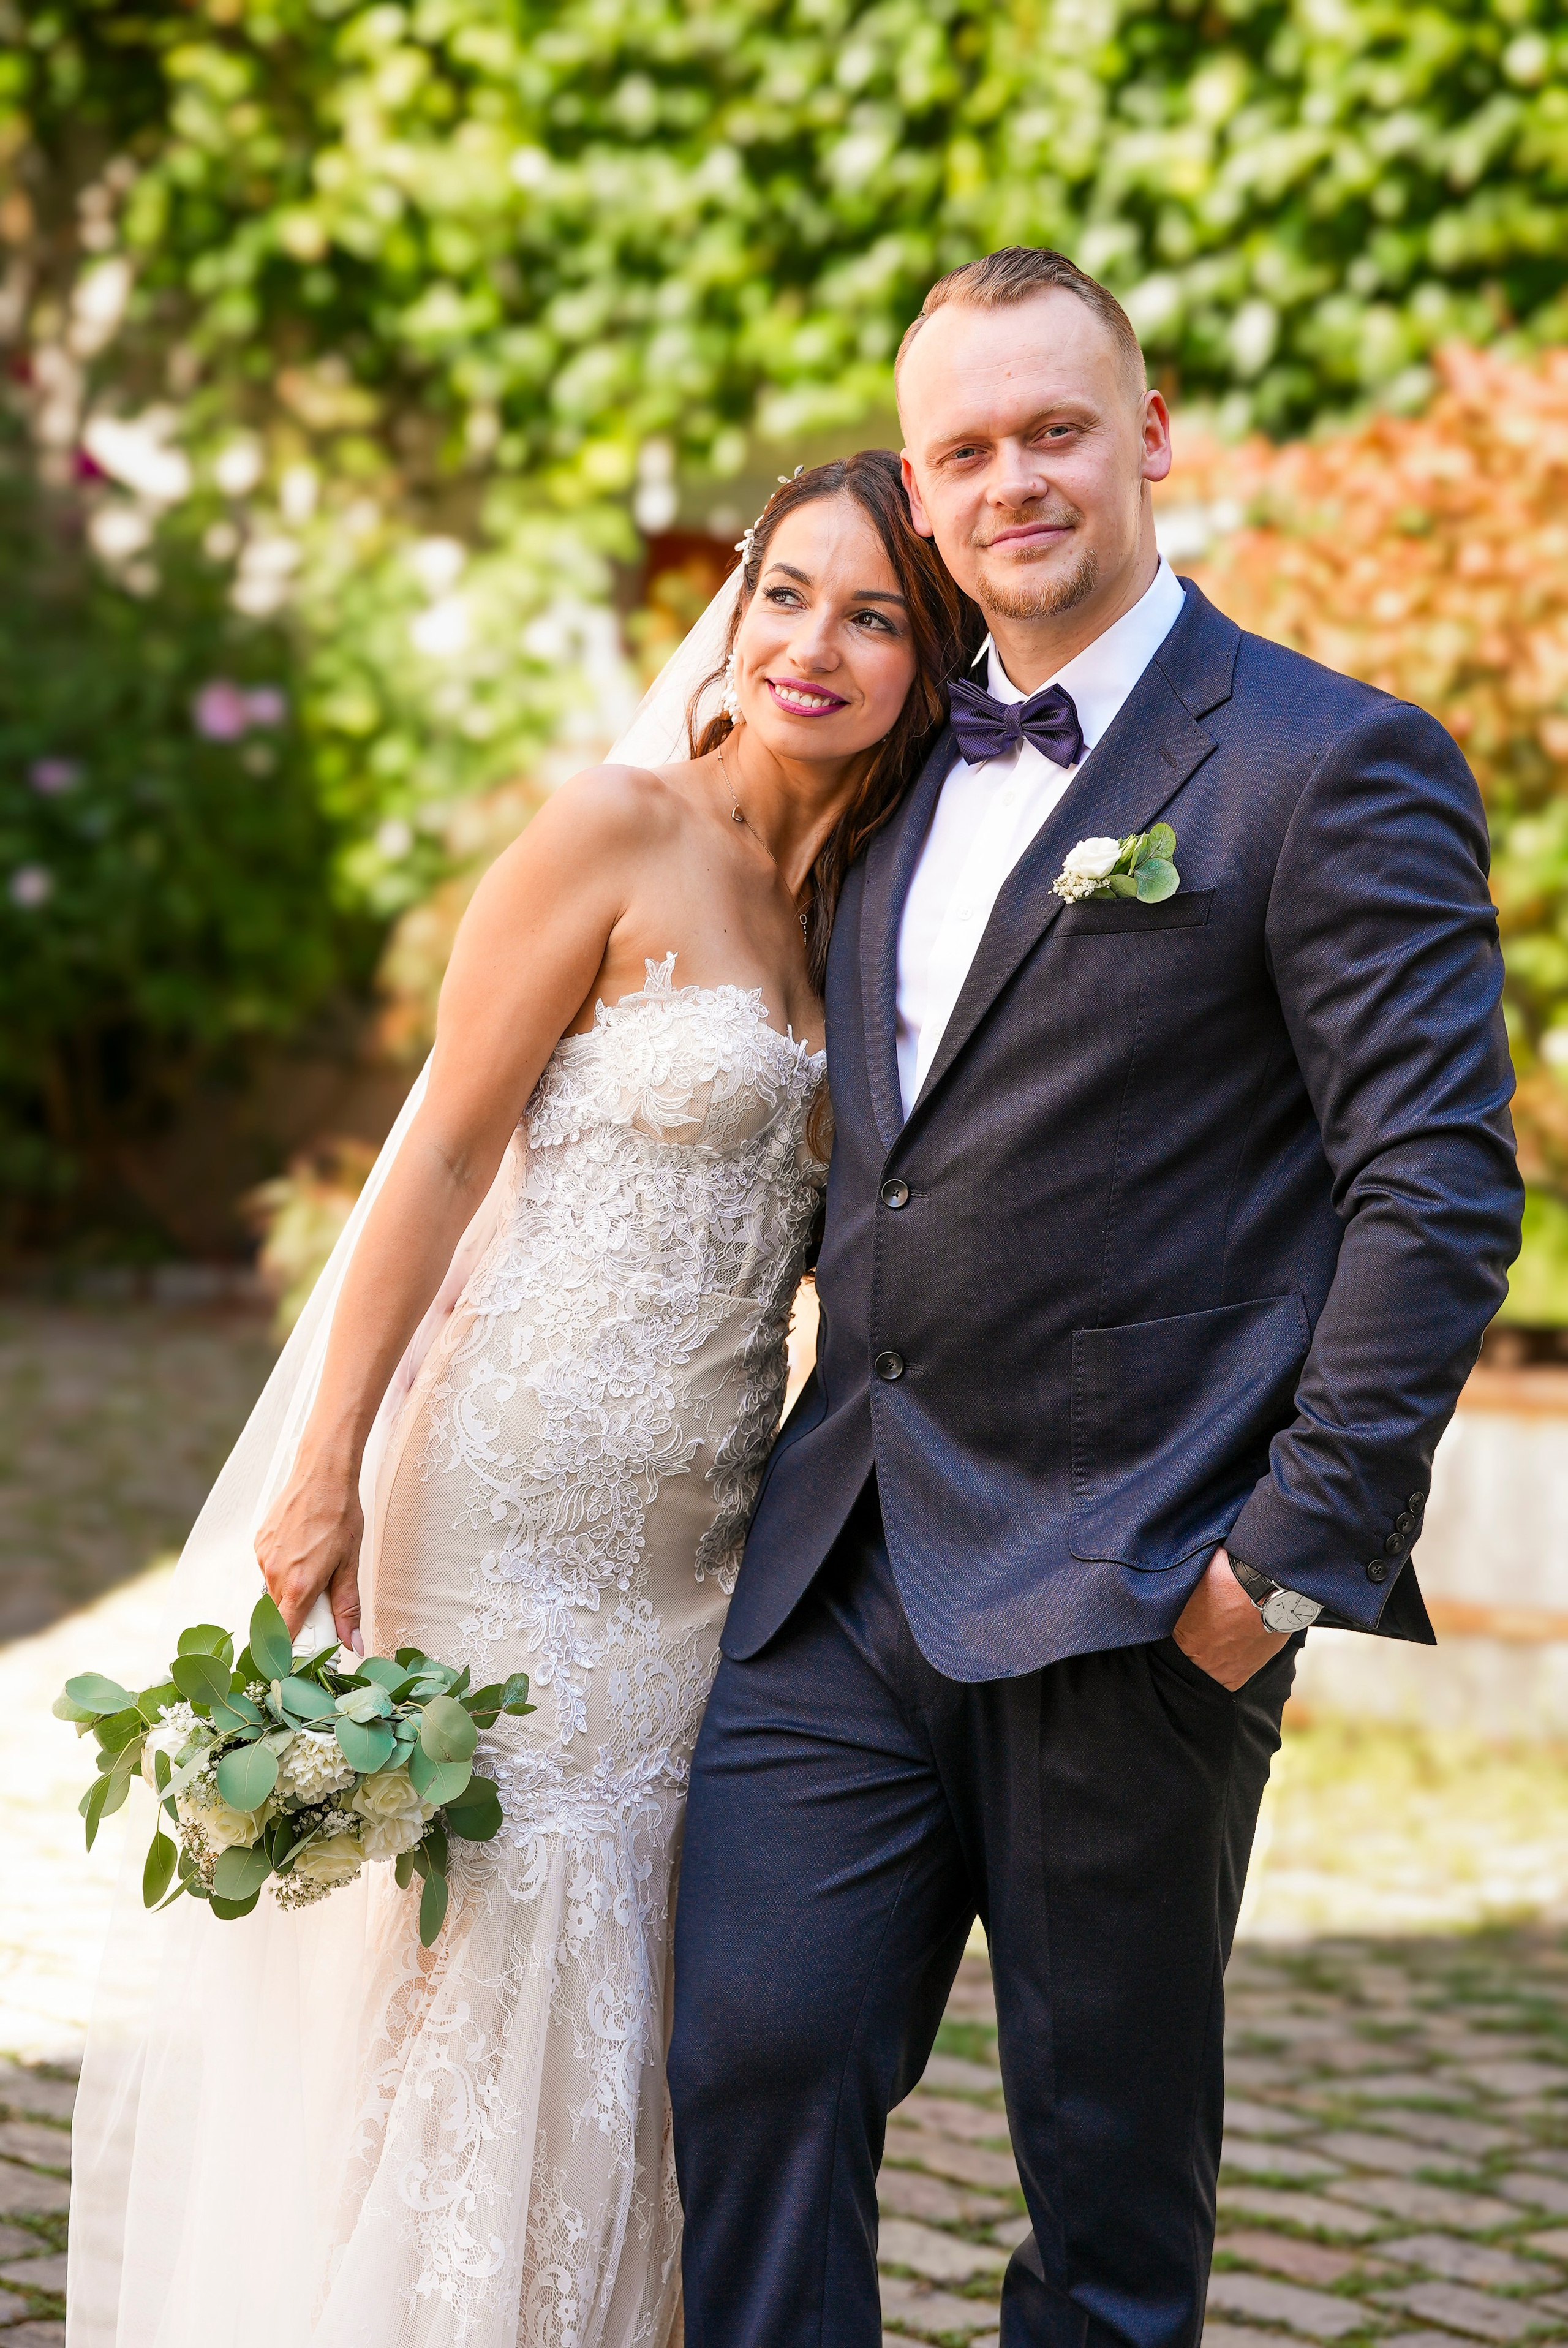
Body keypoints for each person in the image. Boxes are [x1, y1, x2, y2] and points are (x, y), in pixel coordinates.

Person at [668, 246, 1524, 2347]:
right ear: (921, 483)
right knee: (749, 2057)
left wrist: (1279, 1569)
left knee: (1110, 2196)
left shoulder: (1329, 764)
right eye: (962, 449)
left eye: (1056, 429)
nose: (1010, 480)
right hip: (841, 1555)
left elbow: (1436, 1189)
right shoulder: (884, 780)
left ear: (1149, 436)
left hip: (1137, 1582)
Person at [64, 451, 976, 2348]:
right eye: (786, 592)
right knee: (463, 1978)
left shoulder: (867, 921)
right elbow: (441, 1154)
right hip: (502, 1510)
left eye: (873, 614)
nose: (814, 643)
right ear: (732, 610)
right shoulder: (614, 833)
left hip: (699, 1561)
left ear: (926, 655)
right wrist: (321, 1467)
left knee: (631, 1991)